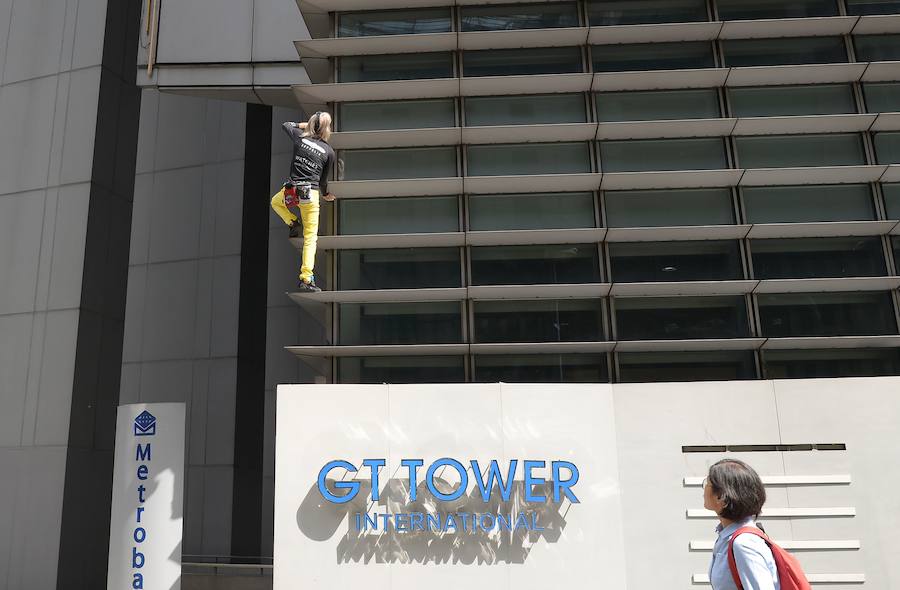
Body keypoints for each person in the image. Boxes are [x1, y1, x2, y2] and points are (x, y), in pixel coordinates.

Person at [271, 111, 336, 293]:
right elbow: (323, 182)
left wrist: (306, 125)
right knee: (310, 238)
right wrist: (326, 195)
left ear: (311, 124)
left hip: (291, 191)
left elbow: (286, 124)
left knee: (276, 203)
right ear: (326, 129)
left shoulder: (299, 137)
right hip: (311, 195)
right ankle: (306, 278)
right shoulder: (328, 151)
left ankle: (292, 222)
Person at [703, 459, 780, 590]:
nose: (704, 489)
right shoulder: (727, 536)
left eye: (707, 483)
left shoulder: (744, 544)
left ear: (721, 497)